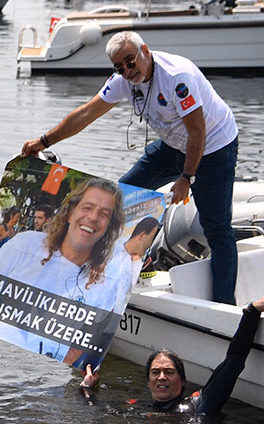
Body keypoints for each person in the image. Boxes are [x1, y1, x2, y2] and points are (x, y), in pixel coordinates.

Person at [21, 30, 239, 304]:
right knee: (121, 197)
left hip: (213, 146)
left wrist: (186, 176)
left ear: (145, 51)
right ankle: (137, 265)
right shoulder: (123, 80)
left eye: (130, 61)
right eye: (119, 67)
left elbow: (198, 131)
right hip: (173, 143)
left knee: (217, 229)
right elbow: (87, 113)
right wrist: (44, 141)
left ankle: (225, 306)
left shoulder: (176, 77)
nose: (127, 70)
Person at [81, 297, 264, 416]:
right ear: (148, 381)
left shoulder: (198, 405)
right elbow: (97, 412)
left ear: (183, 380)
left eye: (169, 372)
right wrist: (87, 388)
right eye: (155, 372)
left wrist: (251, 313)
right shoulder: (136, 408)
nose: (162, 377)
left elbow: (233, 362)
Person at [0, 178, 128, 310]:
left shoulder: (107, 280)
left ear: (109, 226)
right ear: (71, 214)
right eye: (87, 208)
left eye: (104, 214)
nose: (93, 217)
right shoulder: (25, 244)